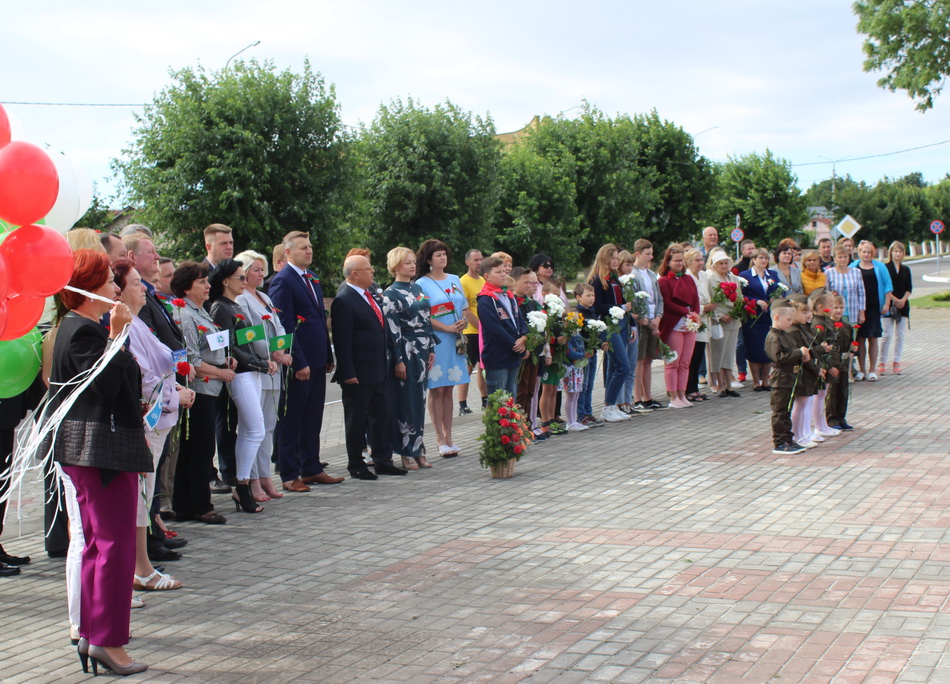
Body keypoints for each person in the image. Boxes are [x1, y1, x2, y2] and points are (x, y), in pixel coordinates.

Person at [50, 249, 152, 675]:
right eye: (110, 280)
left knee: (100, 545)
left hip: (97, 452)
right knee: (113, 547)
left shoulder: (82, 329)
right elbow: (106, 384)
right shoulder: (83, 332)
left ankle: (95, 634)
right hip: (100, 454)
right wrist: (115, 335)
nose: (117, 287)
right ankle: (108, 641)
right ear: (90, 290)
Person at [113, 259, 192, 591]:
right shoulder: (124, 327)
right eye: (135, 284)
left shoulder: (137, 322)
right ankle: (140, 568)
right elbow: (144, 381)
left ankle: (140, 565)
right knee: (139, 495)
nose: (143, 288)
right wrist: (175, 395)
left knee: (143, 494)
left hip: (160, 418)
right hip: (148, 421)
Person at [268, 231, 340, 492]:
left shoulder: (312, 278)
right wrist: (298, 361)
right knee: (292, 418)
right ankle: (289, 473)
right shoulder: (283, 281)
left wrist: (327, 355)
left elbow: (319, 319)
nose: (308, 251)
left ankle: (311, 467)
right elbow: (284, 325)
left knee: (313, 417)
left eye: (310, 247)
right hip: (299, 362)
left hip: (318, 358)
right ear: (287, 253)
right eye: (302, 248)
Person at [209, 259, 280, 513]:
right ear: (225, 281)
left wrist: (261, 362)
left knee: (250, 431)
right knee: (256, 430)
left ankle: (243, 484)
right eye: (240, 277)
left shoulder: (231, 305)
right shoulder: (220, 308)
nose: (243, 281)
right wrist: (260, 363)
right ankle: (243, 484)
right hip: (241, 374)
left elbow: (244, 341)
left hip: (251, 372)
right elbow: (230, 348)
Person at [332, 255, 406, 479]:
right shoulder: (344, 300)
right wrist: (348, 372)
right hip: (358, 372)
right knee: (357, 419)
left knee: (381, 415)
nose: (373, 272)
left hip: (378, 368)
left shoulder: (371, 295)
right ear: (355, 274)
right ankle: (356, 464)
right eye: (368, 269)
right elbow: (342, 341)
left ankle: (382, 459)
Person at [171, 261, 233, 525]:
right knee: (200, 449)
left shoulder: (200, 311)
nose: (208, 286)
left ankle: (185, 505)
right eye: (202, 282)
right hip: (199, 388)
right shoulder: (185, 314)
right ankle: (201, 506)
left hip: (210, 384)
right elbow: (192, 360)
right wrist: (220, 372)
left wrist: (224, 362)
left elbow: (211, 346)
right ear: (187, 287)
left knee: (195, 448)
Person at [235, 250, 293, 501]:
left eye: (262, 270)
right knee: (253, 427)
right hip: (257, 367)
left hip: (274, 368)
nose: (261, 274)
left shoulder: (264, 297)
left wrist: (282, 350)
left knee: (269, 425)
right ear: (244, 272)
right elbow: (248, 334)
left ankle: (266, 476)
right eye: (256, 270)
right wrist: (272, 352)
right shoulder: (240, 299)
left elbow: (278, 326)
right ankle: (252, 480)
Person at [382, 247, 437, 470]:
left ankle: (418, 449)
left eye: (414, 262)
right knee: (404, 401)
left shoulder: (418, 288)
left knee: (419, 401)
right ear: (396, 267)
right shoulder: (391, 294)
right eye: (407, 263)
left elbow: (427, 318)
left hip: (423, 349)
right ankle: (405, 451)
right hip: (406, 349)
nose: (413, 266)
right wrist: (398, 359)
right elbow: (392, 329)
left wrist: (432, 347)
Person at [415, 239, 469, 457]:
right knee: (436, 389)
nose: (442, 257)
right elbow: (423, 315)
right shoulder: (421, 283)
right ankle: (439, 438)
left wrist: (463, 321)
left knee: (449, 389)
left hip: (455, 339)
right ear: (428, 259)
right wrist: (446, 327)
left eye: (444, 253)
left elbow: (464, 306)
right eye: (437, 254)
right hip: (437, 341)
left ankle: (450, 437)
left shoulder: (455, 279)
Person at [588, 244, 632, 423]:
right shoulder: (598, 280)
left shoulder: (615, 279)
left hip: (621, 323)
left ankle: (612, 404)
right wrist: (620, 307)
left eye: (617, 258)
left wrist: (631, 324)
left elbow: (627, 302)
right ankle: (608, 406)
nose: (616, 261)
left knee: (615, 366)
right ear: (605, 259)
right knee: (623, 365)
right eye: (613, 258)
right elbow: (597, 306)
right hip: (608, 326)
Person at [477, 256, 528, 398]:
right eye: (498, 272)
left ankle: (511, 421)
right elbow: (495, 329)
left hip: (513, 354)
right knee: (498, 401)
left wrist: (524, 337)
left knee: (511, 397)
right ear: (487, 276)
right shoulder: (485, 299)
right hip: (498, 356)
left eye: (504, 271)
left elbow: (520, 320)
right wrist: (515, 345)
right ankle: (499, 422)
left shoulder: (508, 295)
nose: (504, 274)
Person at [657, 245, 700, 408]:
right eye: (676, 260)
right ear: (668, 262)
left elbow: (695, 298)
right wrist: (686, 312)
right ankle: (673, 396)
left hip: (690, 325)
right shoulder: (664, 281)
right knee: (673, 361)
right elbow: (667, 303)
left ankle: (682, 394)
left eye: (681, 260)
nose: (679, 263)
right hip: (674, 324)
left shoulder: (688, 279)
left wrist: (695, 314)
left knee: (685, 362)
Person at [765, 302, 809, 455]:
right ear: (777, 317)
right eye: (788, 319)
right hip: (781, 378)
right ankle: (780, 442)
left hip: (790, 377)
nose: (791, 323)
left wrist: (801, 355)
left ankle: (788, 439)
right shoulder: (773, 337)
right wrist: (799, 353)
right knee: (780, 411)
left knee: (786, 410)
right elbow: (779, 358)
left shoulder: (785, 334)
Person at [740, 248, 781, 391]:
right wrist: (756, 301)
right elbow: (742, 296)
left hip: (768, 317)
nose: (763, 261)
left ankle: (766, 380)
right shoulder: (745, 275)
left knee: (767, 348)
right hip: (753, 316)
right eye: (760, 258)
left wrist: (775, 297)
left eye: (766, 258)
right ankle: (756, 380)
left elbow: (778, 290)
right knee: (754, 348)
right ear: (754, 259)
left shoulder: (773, 275)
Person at [851, 240, 893, 382]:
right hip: (858, 308)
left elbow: (888, 287)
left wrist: (886, 304)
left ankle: (872, 370)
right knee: (860, 339)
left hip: (874, 307)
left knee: (873, 338)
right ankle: (862, 370)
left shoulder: (879, 267)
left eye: (869, 252)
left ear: (872, 253)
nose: (866, 254)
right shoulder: (854, 267)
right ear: (859, 253)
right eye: (864, 252)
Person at [631, 240, 663, 410]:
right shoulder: (633, 274)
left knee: (649, 359)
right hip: (641, 321)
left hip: (652, 319)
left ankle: (648, 396)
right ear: (638, 254)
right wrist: (643, 318)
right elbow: (634, 300)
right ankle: (638, 398)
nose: (650, 257)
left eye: (651, 253)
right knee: (640, 360)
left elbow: (658, 298)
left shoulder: (651, 274)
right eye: (647, 254)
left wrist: (657, 317)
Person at [706, 250, 742, 398]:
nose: (724, 266)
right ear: (714, 265)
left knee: (729, 353)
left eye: (726, 263)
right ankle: (719, 385)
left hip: (733, 320)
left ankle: (729, 385)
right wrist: (720, 316)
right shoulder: (710, 279)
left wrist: (736, 313)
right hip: (718, 321)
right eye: (720, 263)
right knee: (717, 354)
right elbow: (710, 300)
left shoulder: (734, 278)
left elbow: (739, 297)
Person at [684, 248, 715, 402]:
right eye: (697, 260)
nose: (700, 263)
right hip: (693, 319)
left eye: (701, 259)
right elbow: (690, 301)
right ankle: (688, 388)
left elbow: (706, 295)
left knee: (699, 355)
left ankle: (694, 388)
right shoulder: (687, 276)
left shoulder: (703, 276)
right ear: (688, 262)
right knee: (691, 356)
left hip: (704, 319)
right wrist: (704, 308)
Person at [458, 249, 486, 414]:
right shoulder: (463, 282)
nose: (479, 263)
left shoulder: (483, 280)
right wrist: (481, 326)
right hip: (471, 331)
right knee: (468, 366)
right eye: (475, 260)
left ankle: (485, 399)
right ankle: (462, 403)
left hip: (484, 332)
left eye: (481, 259)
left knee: (483, 367)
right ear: (468, 262)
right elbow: (466, 309)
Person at [880, 240, 912, 375]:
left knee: (900, 335)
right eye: (895, 251)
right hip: (889, 304)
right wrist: (894, 300)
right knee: (887, 335)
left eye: (900, 251)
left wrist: (903, 300)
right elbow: (884, 287)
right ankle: (882, 362)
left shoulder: (906, 269)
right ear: (891, 252)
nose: (898, 254)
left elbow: (909, 288)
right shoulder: (885, 268)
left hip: (903, 306)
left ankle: (897, 361)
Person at [825, 294, 855, 431]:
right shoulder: (826, 325)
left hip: (843, 361)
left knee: (843, 390)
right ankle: (832, 419)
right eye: (835, 307)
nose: (838, 311)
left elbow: (849, 344)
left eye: (841, 307)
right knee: (832, 391)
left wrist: (853, 348)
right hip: (832, 361)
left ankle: (842, 417)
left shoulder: (847, 326)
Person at [616, 250, 639, 414]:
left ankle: (628, 400)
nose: (630, 268)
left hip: (631, 324)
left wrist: (634, 325)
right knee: (621, 365)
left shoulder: (631, 282)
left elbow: (633, 307)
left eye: (632, 265)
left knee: (631, 366)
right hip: (619, 326)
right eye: (627, 264)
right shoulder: (617, 283)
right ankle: (618, 402)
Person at [824, 245, 866, 327]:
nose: (843, 259)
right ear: (834, 259)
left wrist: (862, 313)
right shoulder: (829, 272)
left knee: (851, 337)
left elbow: (861, 294)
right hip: (834, 313)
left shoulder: (856, 272)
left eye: (845, 257)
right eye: (840, 257)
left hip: (852, 312)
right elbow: (826, 293)